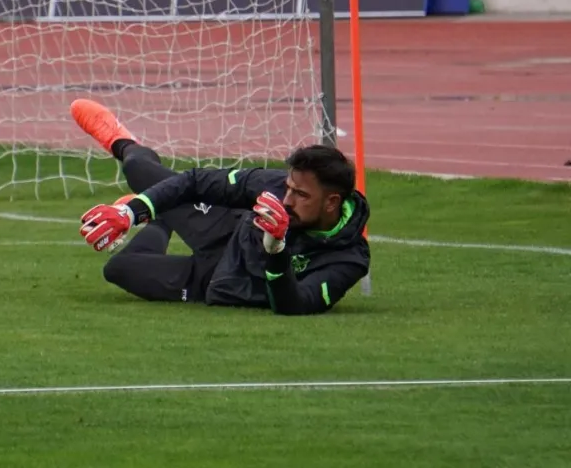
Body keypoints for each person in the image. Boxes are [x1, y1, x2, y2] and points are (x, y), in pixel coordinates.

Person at [71, 98, 371, 316]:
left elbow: (295, 304)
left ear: (332, 202)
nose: (286, 200)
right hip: (223, 227)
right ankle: (122, 141)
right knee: (138, 171)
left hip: (215, 281)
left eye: (301, 195)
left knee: (119, 269)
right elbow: (196, 181)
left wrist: (276, 251)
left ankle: (160, 219)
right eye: (288, 188)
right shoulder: (275, 185)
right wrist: (129, 213)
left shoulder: (349, 259)